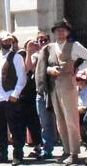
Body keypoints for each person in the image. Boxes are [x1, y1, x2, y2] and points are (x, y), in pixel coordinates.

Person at [36, 18, 87, 165]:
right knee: (60, 121)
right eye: (57, 30)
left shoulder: (74, 45)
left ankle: (74, 152)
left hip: (68, 84)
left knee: (71, 120)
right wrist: (50, 70)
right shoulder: (49, 48)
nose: (60, 32)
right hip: (54, 85)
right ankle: (66, 149)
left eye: (63, 30)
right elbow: (44, 66)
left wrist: (76, 69)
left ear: (68, 32)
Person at [0, 32, 26, 165]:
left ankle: (18, 154)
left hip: (10, 97)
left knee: (15, 128)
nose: (7, 43)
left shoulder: (16, 57)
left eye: (9, 41)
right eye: (5, 41)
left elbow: (22, 78)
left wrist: (15, 94)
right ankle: (2, 153)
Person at [28, 30, 56, 160]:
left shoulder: (55, 51)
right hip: (41, 92)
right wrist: (29, 51)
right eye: (40, 40)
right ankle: (47, 149)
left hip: (55, 90)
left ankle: (69, 149)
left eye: (45, 40)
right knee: (45, 123)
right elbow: (28, 67)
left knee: (61, 122)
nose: (43, 42)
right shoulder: (36, 55)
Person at [19, 39, 43, 159]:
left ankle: (38, 146)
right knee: (22, 122)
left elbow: (29, 68)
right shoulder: (22, 55)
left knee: (34, 121)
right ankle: (20, 148)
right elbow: (26, 68)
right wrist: (28, 51)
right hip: (22, 92)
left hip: (33, 91)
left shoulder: (40, 54)